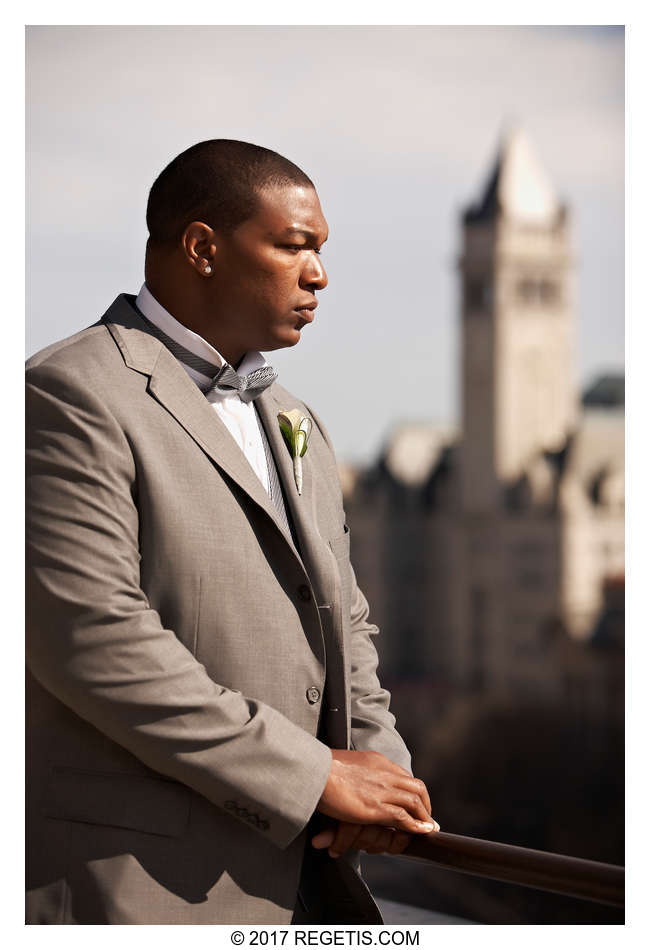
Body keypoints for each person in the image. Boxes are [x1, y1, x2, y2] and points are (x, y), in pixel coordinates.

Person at [26, 139, 438, 925]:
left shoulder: (296, 419)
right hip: (132, 892)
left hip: (302, 895)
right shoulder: (67, 393)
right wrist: (312, 775)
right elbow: (90, 637)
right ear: (203, 248)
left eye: (321, 251)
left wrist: (381, 767)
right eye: (294, 245)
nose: (319, 274)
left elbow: (344, 622)